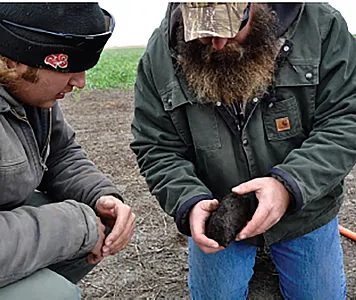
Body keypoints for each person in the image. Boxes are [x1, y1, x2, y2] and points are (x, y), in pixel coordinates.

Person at [131, 2, 356, 299]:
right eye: (204, 31)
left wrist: (290, 185)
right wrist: (189, 201)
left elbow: (347, 119)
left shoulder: (322, 27)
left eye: (230, 26)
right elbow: (156, 145)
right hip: (219, 208)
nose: (218, 43)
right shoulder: (161, 53)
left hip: (304, 211)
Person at [0, 3, 135, 299]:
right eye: (71, 68)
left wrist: (98, 195)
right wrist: (75, 226)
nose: (81, 82)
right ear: (19, 60)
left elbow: (60, 151)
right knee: (55, 293)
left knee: (92, 223)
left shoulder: (18, 79)